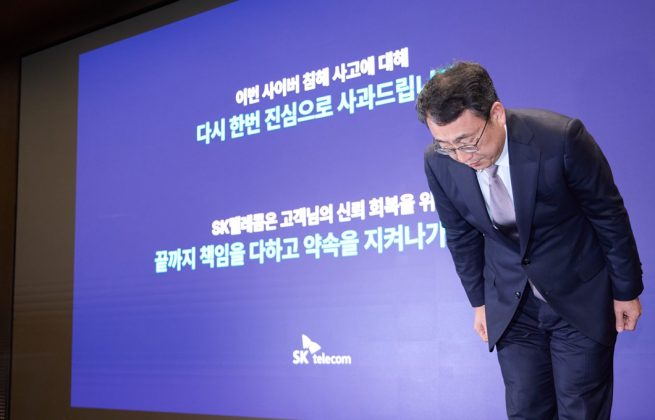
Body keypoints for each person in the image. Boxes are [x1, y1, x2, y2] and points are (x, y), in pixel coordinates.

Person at [416, 61, 643, 419]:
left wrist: (625, 289)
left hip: (577, 297)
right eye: (447, 146)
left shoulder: (561, 138)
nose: (461, 157)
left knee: (581, 410)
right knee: (525, 410)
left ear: (496, 113)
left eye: (467, 142)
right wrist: (480, 302)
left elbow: (607, 215)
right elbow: (460, 235)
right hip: (512, 305)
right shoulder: (438, 162)